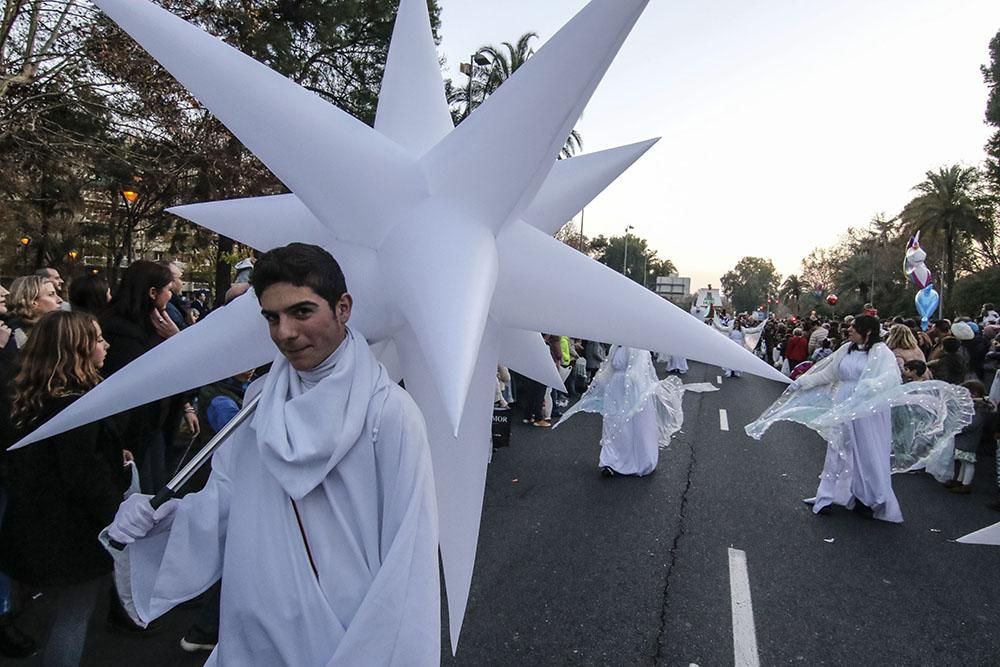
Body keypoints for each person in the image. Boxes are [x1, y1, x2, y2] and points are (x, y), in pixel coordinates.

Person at [103, 243, 440, 665]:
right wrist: (162, 521)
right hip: (254, 631)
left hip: (346, 635)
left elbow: (409, 555)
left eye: (302, 312)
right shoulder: (260, 401)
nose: (284, 332)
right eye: (271, 317)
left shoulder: (390, 414)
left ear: (343, 308)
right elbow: (229, 500)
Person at [746, 315, 973, 523]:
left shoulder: (882, 352)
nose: (849, 331)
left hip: (869, 408)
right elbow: (829, 373)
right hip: (844, 402)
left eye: (854, 328)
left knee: (867, 451)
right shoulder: (846, 350)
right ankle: (825, 496)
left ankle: (868, 498)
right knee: (836, 447)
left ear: (867, 332)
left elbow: (889, 378)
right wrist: (804, 381)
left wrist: (866, 388)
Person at [0, 310, 128, 666]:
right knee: (71, 620)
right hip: (70, 536)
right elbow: (83, 477)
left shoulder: (28, 395)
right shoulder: (75, 406)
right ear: (76, 350)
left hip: (31, 524)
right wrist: (119, 521)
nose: (106, 345)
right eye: (98, 339)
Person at [100, 261, 196, 493]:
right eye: (168, 291)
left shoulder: (153, 325)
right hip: (134, 432)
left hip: (154, 426)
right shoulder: (122, 334)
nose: (170, 297)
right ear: (152, 293)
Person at [556, 345, 683, 477]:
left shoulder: (639, 348)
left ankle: (634, 459)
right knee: (611, 423)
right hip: (615, 389)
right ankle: (610, 461)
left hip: (632, 390)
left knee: (630, 426)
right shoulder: (615, 348)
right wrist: (598, 384)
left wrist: (630, 385)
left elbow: (638, 371)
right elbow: (609, 367)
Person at [942, 380, 993, 494]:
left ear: (973, 394)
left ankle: (966, 484)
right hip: (966, 440)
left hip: (969, 440)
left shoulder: (979, 409)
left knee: (968, 463)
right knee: (964, 462)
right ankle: (960, 481)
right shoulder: (976, 407)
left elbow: (972, 424)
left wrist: (958, 427)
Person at [4, 275, 63, 350]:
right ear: (32, 301)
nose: (60, 300)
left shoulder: (59, 328)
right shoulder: (13, 337)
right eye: (51, 294)